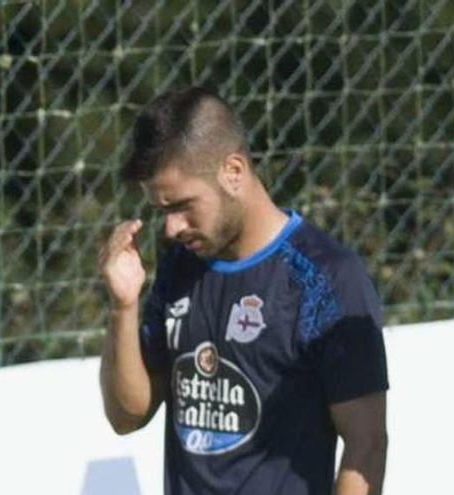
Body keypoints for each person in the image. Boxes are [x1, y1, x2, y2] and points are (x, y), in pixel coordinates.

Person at [97, 86, 389, 495]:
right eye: (162, 211)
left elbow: (367, 443)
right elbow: (127, 416)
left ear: (233, 171)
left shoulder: (326, 278)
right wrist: (122, 307)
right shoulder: (179, 265)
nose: (171, 227)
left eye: (182, 205)